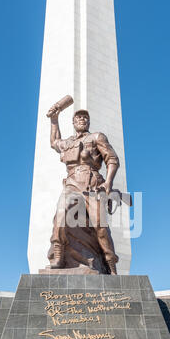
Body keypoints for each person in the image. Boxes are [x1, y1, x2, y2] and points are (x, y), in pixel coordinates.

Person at [47, 103, 120, 274]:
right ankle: (57, 251)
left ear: (88, 122)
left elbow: (112, 160)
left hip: (92, 184)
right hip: (72, 182)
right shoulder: (69, 142)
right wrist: (54, 119)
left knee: (101, 228)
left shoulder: (97, 137)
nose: (82, 119)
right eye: (78, 117)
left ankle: (110, 264)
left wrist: (108, 183)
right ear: (73, 122)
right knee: (61, 212)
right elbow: (54, 142)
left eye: (85, 118)